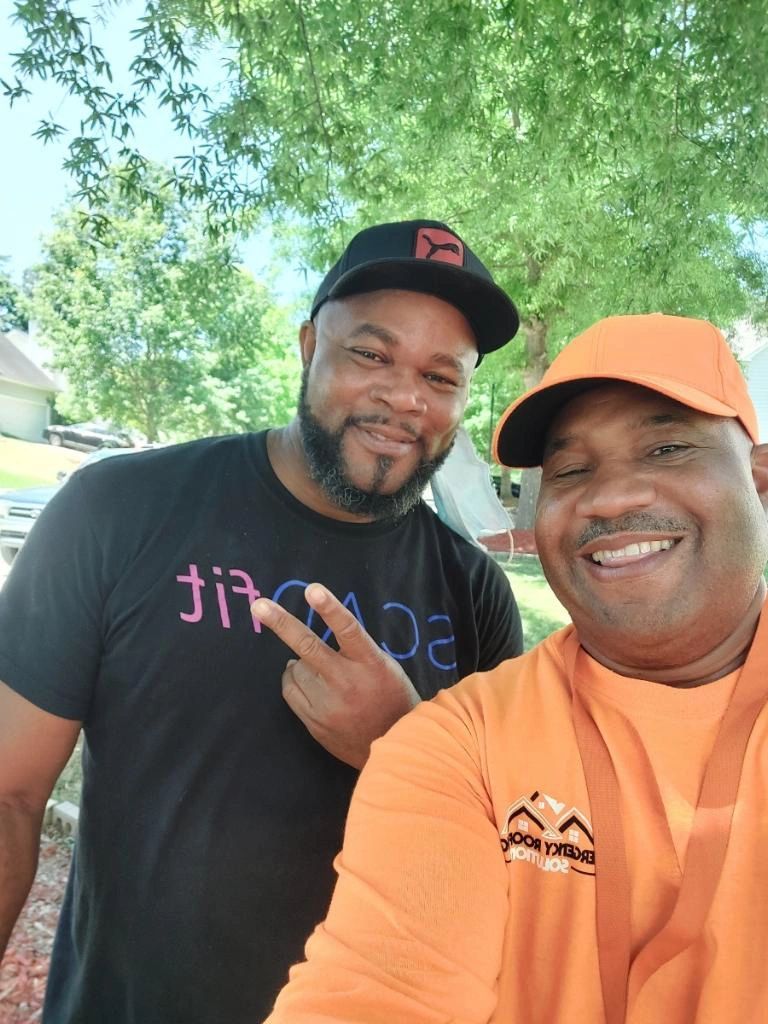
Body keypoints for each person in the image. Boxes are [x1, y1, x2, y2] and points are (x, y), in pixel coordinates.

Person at [0, 219, 524, 1023]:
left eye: (440, 376)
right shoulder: (118, 511)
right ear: (310, 343)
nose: (404, 397)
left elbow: (508, 858)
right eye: (371, 355)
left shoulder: (477, 594)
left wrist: (399, 747)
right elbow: (9, 793)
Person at [266, 312, 768, 1024]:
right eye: (570, 470)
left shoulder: (471, 584)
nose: (612, 496)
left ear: (762, 483)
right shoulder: (459, 743)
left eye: (666, 448)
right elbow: (378, 992)